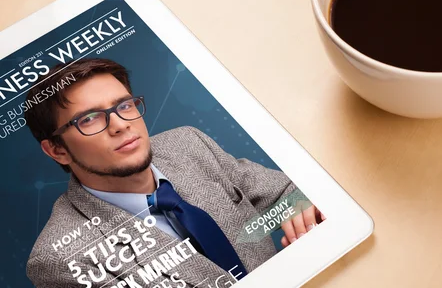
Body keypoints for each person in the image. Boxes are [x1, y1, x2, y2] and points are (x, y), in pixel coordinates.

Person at [25, 58, 324, 288]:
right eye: (89, 119)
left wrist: (303, 213)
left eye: (124, 105)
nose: (120, 124)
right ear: (56, 150)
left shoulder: (187, 143)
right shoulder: (60, 260)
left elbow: (286, 193)